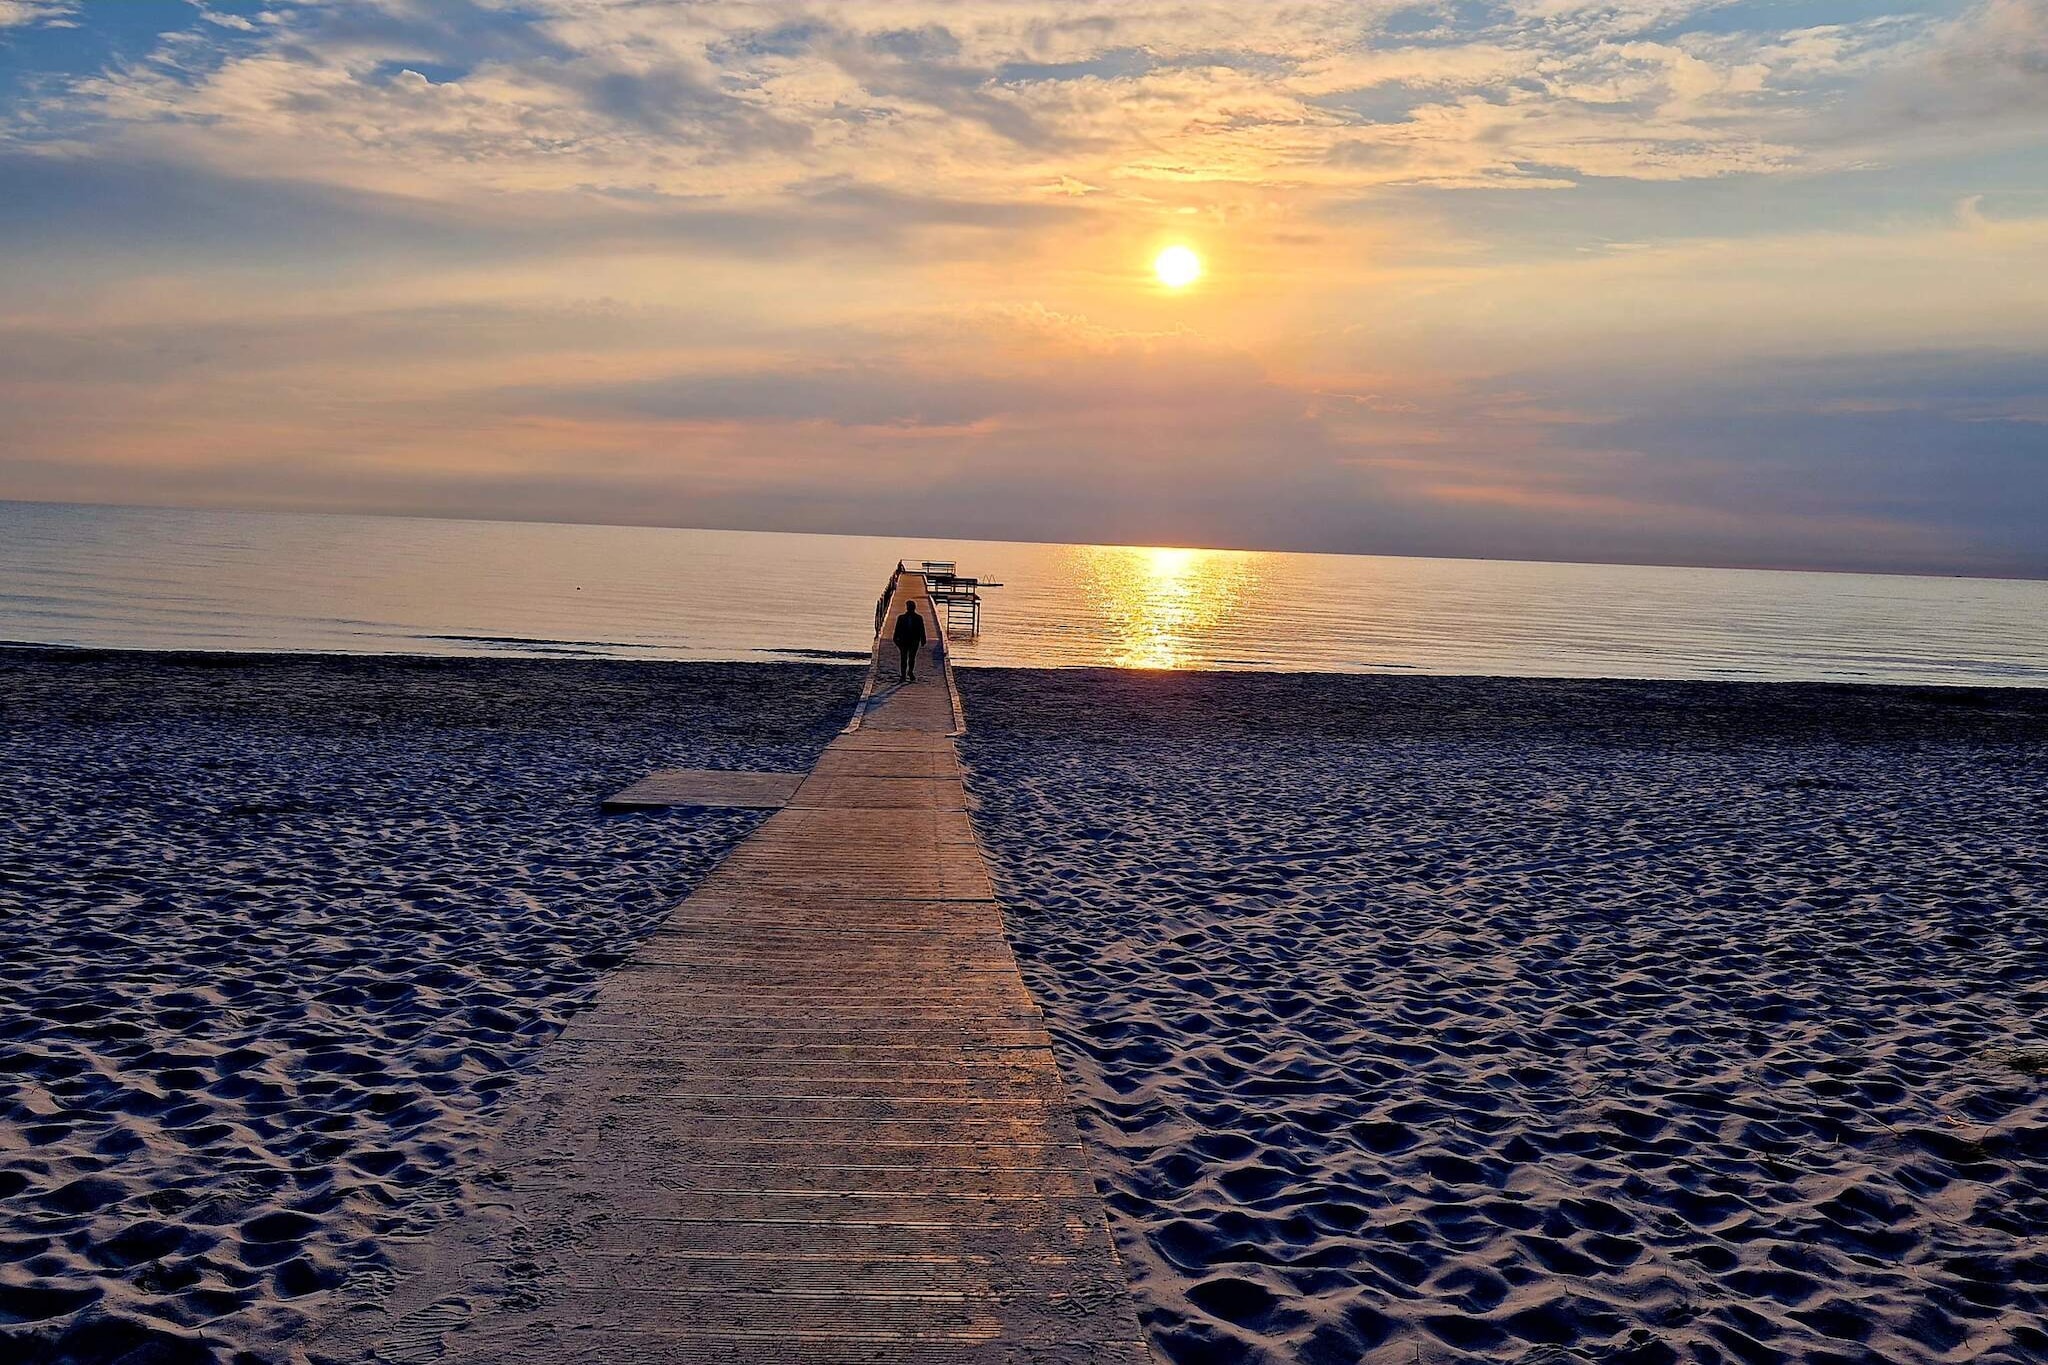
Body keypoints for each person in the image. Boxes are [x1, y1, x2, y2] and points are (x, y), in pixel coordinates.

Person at [892, 601, 927, 682]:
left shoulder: (918, 618)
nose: (910, 608)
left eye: (911, 607)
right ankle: (903, 675)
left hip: (914, 640)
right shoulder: (901, 617)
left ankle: (910, 672)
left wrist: (923, 639)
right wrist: (895, 639)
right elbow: (897, 629)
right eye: (909, 607)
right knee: (903, 658)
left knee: (912, 658)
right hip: (904, 640)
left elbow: (922, 629)